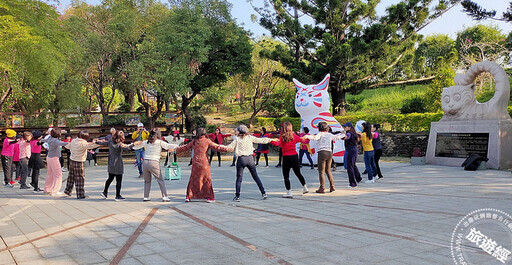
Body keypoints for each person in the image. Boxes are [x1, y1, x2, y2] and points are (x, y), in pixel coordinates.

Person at [175, 128, 232, 202]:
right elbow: (217, 147)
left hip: (195, 163)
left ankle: (189, 196)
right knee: (206, 179)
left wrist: (176, 149)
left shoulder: (194, 141)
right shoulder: (207, 141)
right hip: (204, 163)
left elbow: (185, 147)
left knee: (193, 179)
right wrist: (227, 149)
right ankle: (209, 197)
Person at [226, 125, 276, 202]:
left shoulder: (237, 139)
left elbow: (229, 147)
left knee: (239, 179)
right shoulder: (250, 137)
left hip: (241, 159)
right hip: (250, 159)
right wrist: (271, 140)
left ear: (239, 132)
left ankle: (237, 196)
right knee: (255, 176)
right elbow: (261, 140)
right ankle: (263, 193)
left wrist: (219, 147)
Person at [303, 122, 345, 193]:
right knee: (328, 170)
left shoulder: (320, 134)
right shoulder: (329, 134)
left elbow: (314, 138)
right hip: (329, 152)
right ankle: (332, 186)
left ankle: (322, 188)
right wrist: (344, 134)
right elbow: (337, 137)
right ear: (327, 127)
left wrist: (306, 136)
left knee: (321, 171)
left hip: (322, 152)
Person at [271, 122, 309, 198]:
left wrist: (270, 140)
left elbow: (276, 143)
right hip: (294, 156)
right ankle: (305, 187)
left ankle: (289, 192)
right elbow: (302, 140)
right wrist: (307, 136)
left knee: (286, 176)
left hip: (286, 157)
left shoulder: (282, 137)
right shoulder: (294, 136)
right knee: (298, 173)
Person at [137, 129, 176, 202]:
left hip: (145, 162)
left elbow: (136, 146)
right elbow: (168, 146)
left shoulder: (146, 142)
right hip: (154, 162)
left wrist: (131, 145)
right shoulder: (160, 142)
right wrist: (179, 146)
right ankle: (165, 196)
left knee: (147, 181)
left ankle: (146, 196)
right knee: (160, 180)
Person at [98, 130, 134, 201]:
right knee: (118, 180)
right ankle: (118, 195)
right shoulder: (120, 144)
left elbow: (102, 143)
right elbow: (127, 148)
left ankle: (105, 192)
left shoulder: (111, 142)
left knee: (110, 178)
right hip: (118, 163)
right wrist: (134, 144)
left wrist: (96, 141)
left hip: (111, 162)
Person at [63, 131, 100, 199]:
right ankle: (80, 194)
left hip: (72, 160)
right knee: (80, 178)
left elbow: (67, 146)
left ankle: (67, 191)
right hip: (79, 161)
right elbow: (90, 146)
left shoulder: (74, 140)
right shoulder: (84, 143)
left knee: (71, 176)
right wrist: (98, 143)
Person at [42, 128, 70, 195]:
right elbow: (62, 143)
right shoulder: (55, 140)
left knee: (50, 173)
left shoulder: (50, 138)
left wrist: (40, 139)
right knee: (58, 175)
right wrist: (70, 143)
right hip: (54, 158)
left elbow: (43, 140)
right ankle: (55, 190)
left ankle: (47, 189)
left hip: (49, 157)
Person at [341, 122, 362, 188]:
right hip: (353, 150)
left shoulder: (349, 133)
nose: (344, 128)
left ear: (349, 127)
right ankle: (358, 178)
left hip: (351, 151)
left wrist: (343, 136)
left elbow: (347, 137)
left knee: (350, 167)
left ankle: (353, 183)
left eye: (345, 127)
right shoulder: (353, 133)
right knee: (353, 165)